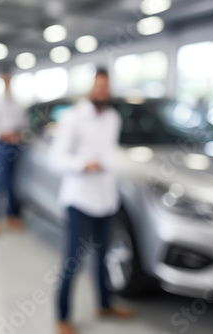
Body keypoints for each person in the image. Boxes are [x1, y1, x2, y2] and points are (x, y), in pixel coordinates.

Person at [48, 68, 134, 334]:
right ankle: (62, 316)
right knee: (73, 261)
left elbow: (111, 152)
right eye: (97, 88)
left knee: (104, 256)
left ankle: (105, 304)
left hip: (106, 199)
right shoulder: (73, 118)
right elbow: (56, 158)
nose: (101, 93)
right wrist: (85, 164)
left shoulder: (113, 118)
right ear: (90, 88)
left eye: (105, 89)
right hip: (79, 200)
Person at [0, 72, 27, 235]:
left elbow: (22, 124)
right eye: (5, 81)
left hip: (15, 146)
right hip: (1, 147)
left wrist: (17, 134)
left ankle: (11, 215)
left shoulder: (17, 104)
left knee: (12, 183)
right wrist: (2, 134)